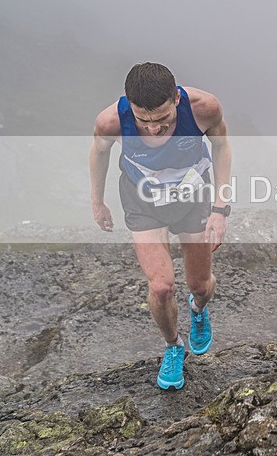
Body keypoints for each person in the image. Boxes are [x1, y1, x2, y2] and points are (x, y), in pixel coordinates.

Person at [89, 62, 232, 390]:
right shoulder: (111, 121)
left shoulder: (203, 108)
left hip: (192, 197)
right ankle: (173, 346)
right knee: (162, 286)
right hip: (143, 202)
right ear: (129, 105)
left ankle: (198, 310)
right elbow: (98, 153)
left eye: (162, 120)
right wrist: (97, 201)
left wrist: (220, 208)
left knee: (199, 283)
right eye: (144, 121)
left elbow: (222, 146)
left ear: (177, 100)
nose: (153, 129)